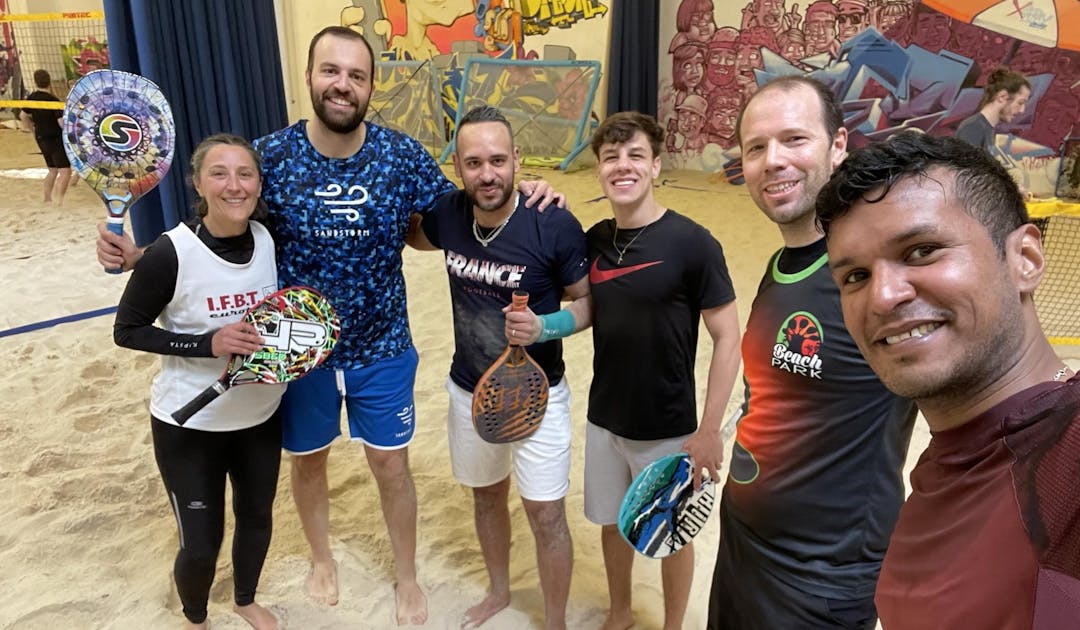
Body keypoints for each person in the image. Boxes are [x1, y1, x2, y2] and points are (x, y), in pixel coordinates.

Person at [96, 26, 560, 626]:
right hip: (297, 349)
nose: (343, 84)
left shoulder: (401, 155)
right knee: (308, 461)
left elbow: (467, 206)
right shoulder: (271, 156)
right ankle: (321, 557)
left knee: (392, 466)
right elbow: (217, 223)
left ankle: (408, 576)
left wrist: (532, 192)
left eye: (356, 75)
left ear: (371, 86)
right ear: (310, 77)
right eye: (331, 71)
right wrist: (142, 255)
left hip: (385, 345)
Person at [817, 130, 1080, 630]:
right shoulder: (950, 462)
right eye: (855, 276)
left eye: (922, 250)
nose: (883, 296)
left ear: (1024, 259)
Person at [707, 76, 916, 630]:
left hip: (821, 582)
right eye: (756, 147)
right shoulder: (786, 266)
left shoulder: (875, 278)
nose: (773, 160)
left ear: (838, 146)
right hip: (743, 550)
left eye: (795, 139)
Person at [407, 105, 589, 629]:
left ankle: (554, 621)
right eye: (474, 163)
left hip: (540, 395)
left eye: (498, 160)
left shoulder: (552, 223)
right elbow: (415, 234)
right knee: (487, 498)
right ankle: (499, 591)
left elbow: (586, 304)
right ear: (458, 168)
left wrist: (545, 327)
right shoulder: (447, 215)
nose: (487, 174)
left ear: (517, 161)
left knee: (546, 513)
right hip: (469, 391)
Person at [113, 134, 282, 630]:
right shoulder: (170, 252)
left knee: (256, 519)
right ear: (198, 183)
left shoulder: (271, 237)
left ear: (258, 184)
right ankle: (195, 617)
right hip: (189, 424)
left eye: (245, 174)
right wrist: (203, 344)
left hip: (260, 416)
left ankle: (246, 600)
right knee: (200, 541)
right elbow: (127, 330)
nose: (234, 185)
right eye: (219, 173)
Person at [583, 111, 741, 630]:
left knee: (674, 533)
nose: (622, 166)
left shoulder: (693, 243)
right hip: (604, 417)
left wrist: (709, 430)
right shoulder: (596, 239)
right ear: (599, 170)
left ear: (655, 166)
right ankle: (621, 613)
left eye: (634, 156)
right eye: (611, 157)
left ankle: (673, 626)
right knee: (612, 523)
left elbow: (727, 338)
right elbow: (584, 308)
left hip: (669, 425)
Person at [18, 69, 73, 205]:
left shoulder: (31, 98)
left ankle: (47, 199)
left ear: (35, 81)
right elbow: (61, 123)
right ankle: (59, 200)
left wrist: (32, 130)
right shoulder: (53, 100)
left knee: (52, 170)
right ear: (49, 82)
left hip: (40, 137)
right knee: (65, 171)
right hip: (55, 138)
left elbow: (23, 116)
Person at [955, 67, 1031, 159]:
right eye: (1020, 103)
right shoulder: (973, 128)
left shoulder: (986, 129)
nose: (1022, 110)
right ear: (1002, 97)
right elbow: (965, 171)